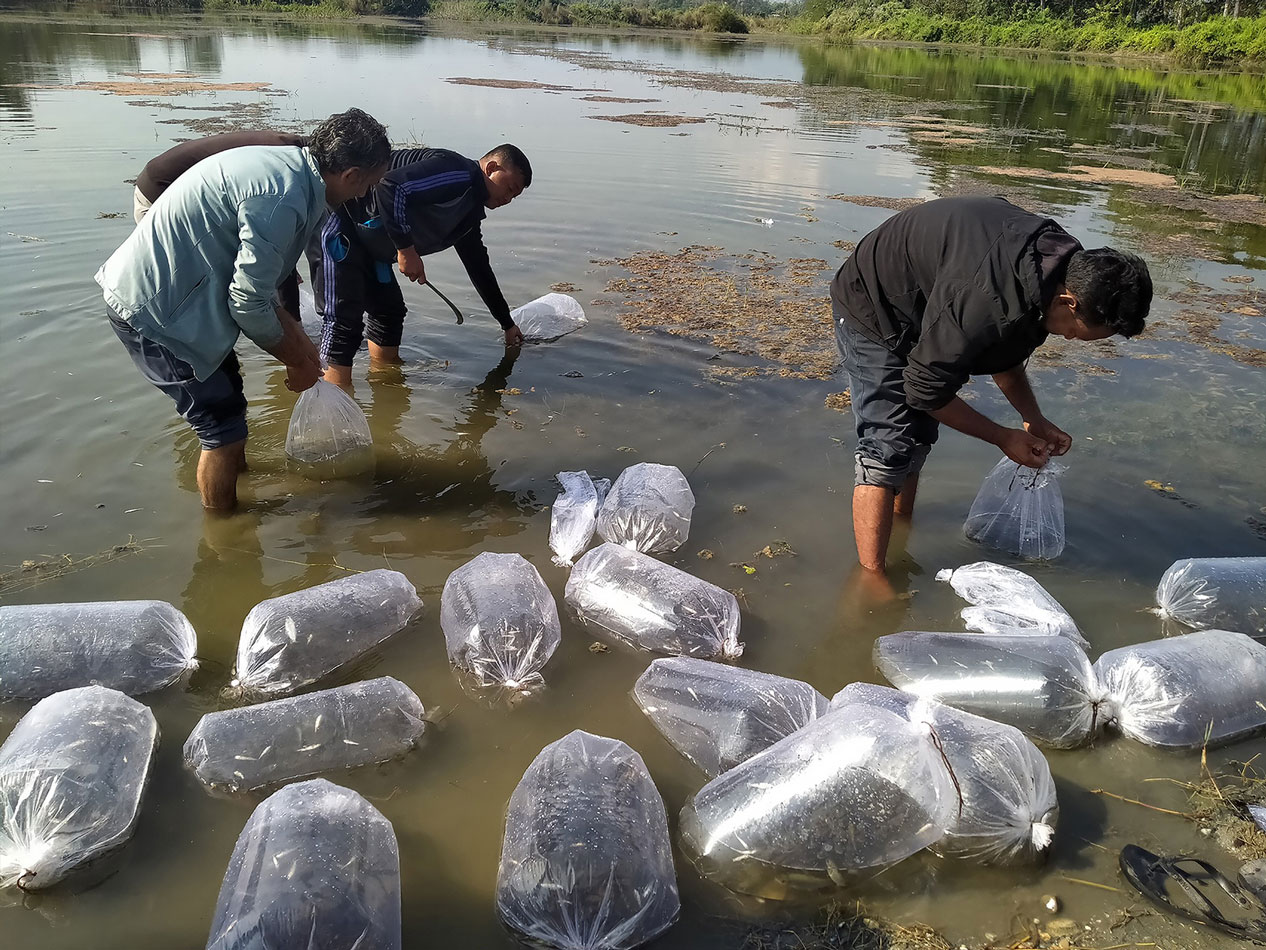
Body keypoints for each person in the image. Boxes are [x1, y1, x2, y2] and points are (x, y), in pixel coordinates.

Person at [831, 195, 1152, 579]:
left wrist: (1033, 419)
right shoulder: (989, 296)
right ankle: (872, 577)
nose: (1069, 340)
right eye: (1078, 334)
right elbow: (924, 391)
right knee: (886, 446)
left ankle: (901, 524)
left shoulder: (1056, 273)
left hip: (938, 297)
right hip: (875, 302)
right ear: (1069, 301)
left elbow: (1006, 355)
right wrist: (1002, 436)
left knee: (917, 436)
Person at [96, 108, 392, 511]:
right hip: (155, 313)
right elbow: (248, 303)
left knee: (231, 406)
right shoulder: (282, 196)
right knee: (219, 428)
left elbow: (260, 286)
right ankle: (225, 536)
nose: (363, 196)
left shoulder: (295, 176)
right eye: (368, 184)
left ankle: (236, 493)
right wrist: (295, 361)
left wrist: (302, 344)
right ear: (352, 175)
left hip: (189, 303)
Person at [308, 144, 533, 386]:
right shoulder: (459, 172)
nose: (508, 199)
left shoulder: (468, 212)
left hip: (371, 245)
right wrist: (406, 250)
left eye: (515, 197)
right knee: (343, 322)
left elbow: (478, 267)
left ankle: (385, 390)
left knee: (389, 313)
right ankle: (331, 410)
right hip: (340, 225)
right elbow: (390, 186)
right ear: (491, 168)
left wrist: (506, 323)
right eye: (510, 188)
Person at [133, 131, 308, 317]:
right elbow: (276, 238)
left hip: (172, 180)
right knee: (197, 286)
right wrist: (294, 319)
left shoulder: (291, 151)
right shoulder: (288, 168)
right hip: (161, 190)